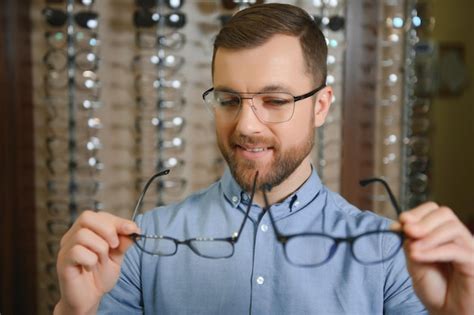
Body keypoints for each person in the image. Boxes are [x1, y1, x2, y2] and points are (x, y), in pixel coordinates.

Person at [54, 3, 474, 315]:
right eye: (229, 100)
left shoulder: (389, 257)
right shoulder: (140, 246)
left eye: (275, 100)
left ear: (321, 106)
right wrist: (76, 313)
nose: (247, 126)